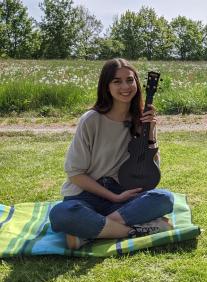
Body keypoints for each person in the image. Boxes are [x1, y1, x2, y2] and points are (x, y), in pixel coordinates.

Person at [49, 58, 174, 250]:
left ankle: (91, 232)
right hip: (86, 195)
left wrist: (149, 134)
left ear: (137, 83)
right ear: (106, 86)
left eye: (130, 80)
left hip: (124, 192)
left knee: (164, 198)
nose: (125, 86)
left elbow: (152, 169)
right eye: (117, 81)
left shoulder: (142, 119)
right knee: (61, 214)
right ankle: (133, 231)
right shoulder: (91, 120)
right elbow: (75, 174)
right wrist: (114, 197)